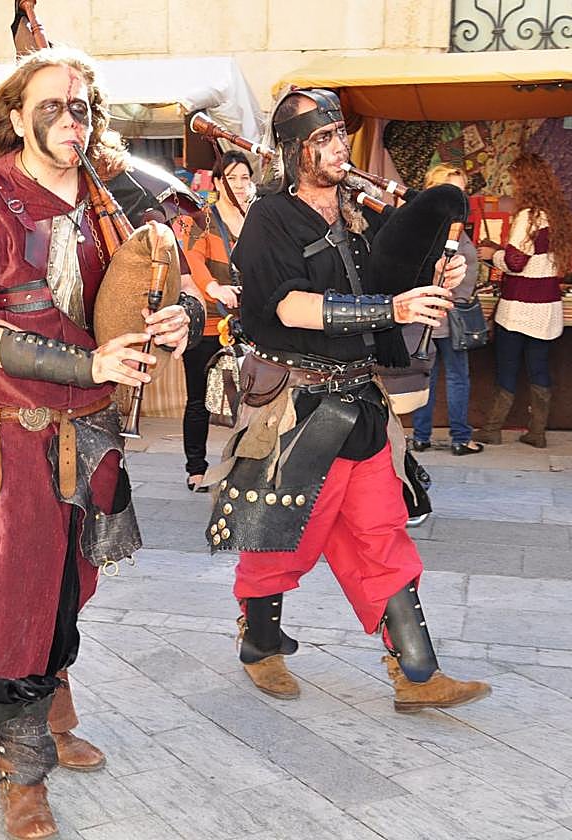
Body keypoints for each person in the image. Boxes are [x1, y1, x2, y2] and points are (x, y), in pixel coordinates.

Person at [0, 47, 198, 839]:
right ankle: (23, 771)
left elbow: (170, 286)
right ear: (13, 116)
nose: (71, 121)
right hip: (6, 443)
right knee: (9, 610)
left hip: (88, 435)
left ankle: (55, 709)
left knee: (68, 589)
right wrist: (91, 361)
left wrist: (179, 323)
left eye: (81, 107)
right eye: (52, 107)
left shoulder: (114, 193)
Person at [216, 88, 491, 713]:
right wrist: (389, 307)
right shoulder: (269, 220)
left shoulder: (361, 217)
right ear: (292, 153)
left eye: (341, 136)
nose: (340, 149)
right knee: (278, 533)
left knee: (381, 531)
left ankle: (416, 674)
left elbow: (393, 286)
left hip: (359, 401)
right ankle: (260, 645)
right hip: (291, 406)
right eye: (324, 139)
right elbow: (289, 306)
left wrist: (436, 279)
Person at [474, 153, 572, 448]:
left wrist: (492, 255)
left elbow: (516, 262)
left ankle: (493, 428)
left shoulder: (528, 216)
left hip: (519, 306)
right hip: (548, 307)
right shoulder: (557, 215)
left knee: (506, 366)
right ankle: (537, 432)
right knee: (539, 367)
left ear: (525, 182)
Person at [175, 150, 253, 492]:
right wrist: (214, 288)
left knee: (254, 396)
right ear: (219, 182)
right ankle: (196, 467)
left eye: (245, 178)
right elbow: (193, 262)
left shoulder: (258, 219)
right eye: (232, 177)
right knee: (199, 398)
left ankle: (247, 462)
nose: (240, 184)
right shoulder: (200, 219)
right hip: (209, 321)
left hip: (249, 321)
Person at [410, 164, 483, 456]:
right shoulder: (449, 226)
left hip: (427, 312)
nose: (461, 198)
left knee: (427, 376)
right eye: (456, 190)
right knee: (456, 376)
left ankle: (421, 436)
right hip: (447, 314)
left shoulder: (419, 222)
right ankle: (460, 438)